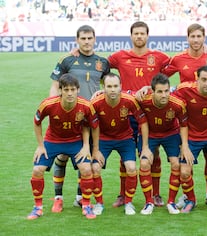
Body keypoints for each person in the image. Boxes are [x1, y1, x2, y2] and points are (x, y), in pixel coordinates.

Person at [108, 21, 171, 208]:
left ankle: (156, 194)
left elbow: (181, 62)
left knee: (154, 153)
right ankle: (122, 194)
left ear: (147, 35)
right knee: (124, 155)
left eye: (142, 33)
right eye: (136, 33)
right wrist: (76, 53)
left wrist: (206, 49)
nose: (139, 37)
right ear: (131, 36)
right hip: (126, 113)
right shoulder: (119, 57)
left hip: (151, 113)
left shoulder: (159, 57)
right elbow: (99, 65)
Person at [49, 25, 110, 212]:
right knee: (62, 157)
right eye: (83, 38)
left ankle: (79, 196)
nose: (86, 42)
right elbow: (54, 86)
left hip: (91, 118)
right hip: (68, 116)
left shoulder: (102, 62)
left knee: (85, 157)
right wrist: (53, 110)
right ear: (77, 40)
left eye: (89, 38)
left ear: (95, 39)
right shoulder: (67, 60)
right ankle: (58, 197)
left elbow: (109, 86)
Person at [162, 23, 207, 208]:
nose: (196, 40)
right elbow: (162, 73)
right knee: (185, 160)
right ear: (187, 38)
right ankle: (187, 196)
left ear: (204, 37)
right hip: (187, 117)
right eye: (192, 37)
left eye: (199, 36)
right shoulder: (179, 58)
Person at [27, 74, 98, 220]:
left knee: (86, 168)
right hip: (53, 140)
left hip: (75, 141)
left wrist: (87, 146)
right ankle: (38, 207)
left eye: (73, 89)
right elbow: (37, 122)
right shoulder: (48, 104)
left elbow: (91, 126)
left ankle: (86, 204)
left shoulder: (86, 106)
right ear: (60, 91)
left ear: (78, 89)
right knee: (37, 170)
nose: (70, 93)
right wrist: (40, 145)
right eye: (66, 89)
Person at [90, 72, 152, 215]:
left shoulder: (129, 100)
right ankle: (99, 203)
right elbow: (91, 125)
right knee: (95, 168)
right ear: (103, 88)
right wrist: (95, 149)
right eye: (109, 86)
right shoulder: (96, 103)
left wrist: (145, 147)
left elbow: (143, 122)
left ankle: (128, 202)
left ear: (121, 87)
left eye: (115, 86)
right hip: (104, 139)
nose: (112, 89)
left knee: (131, 168)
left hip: (125, 139)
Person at [172, 65, 207, 214]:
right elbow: (163, 90)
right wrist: (145, 89)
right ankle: (191, 200)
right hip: (192, 139)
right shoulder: (184, 89)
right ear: (197, 78)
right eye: (204, 79)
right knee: (184, 172)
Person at [135, 73, 188, 215]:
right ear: (152, 91)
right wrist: (102, 91)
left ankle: (171, 202)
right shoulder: (143, 99)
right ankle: (148, 202)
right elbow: (122, 94)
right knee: (145, 163)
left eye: (166, 91)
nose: (164, 95)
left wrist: (184, 146)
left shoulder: (177, 104)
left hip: (170, 134)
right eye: (160, 91)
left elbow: (183, 125)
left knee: (176, 164)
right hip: (150, 134)